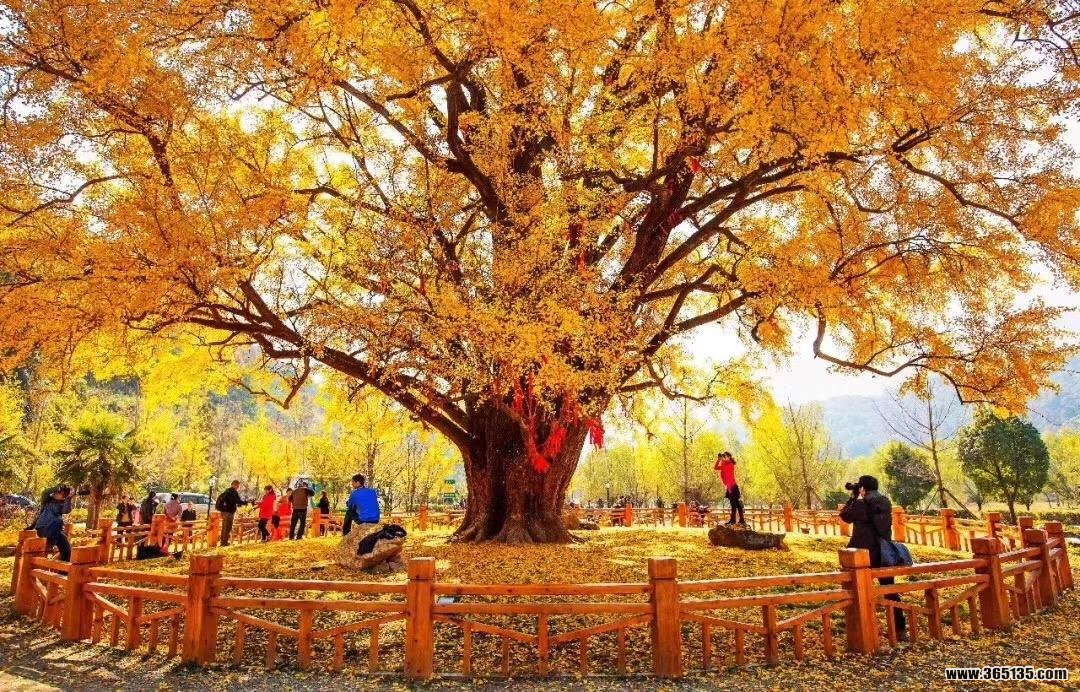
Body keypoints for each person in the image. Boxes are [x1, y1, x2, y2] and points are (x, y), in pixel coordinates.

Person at [840, 474, 907, 641]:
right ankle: (899, 629)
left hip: (860, 554)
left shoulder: (861, 504)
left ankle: (863, 631)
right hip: (883, 554)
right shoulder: (885, 501)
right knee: (890, 590)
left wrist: (855, 498)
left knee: (857, 593)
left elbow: (845, 516)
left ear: (862, 488)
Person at [34, 486, 73, 561]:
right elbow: (45, 492)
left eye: (59, 493)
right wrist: (58, 488)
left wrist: (69, 498)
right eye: (56, 492)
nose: (55, 493)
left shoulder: (63, 504)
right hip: (43, 529)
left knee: (67, 548)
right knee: (58, 521)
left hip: (55, 532)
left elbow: (66, 510)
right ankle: (52, 544)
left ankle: (64, 566)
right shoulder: (47, 500)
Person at [215, 480, 250, 547]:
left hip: (224, 511)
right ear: (234, 485)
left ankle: (224, 542)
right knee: (227, 527)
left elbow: (234, 501)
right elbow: (237, 501)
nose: (238, 487)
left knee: (225, 527)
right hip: (228, 512)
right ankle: (223, 543)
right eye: (237, 485)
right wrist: (245, 502)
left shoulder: (227, 491)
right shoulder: (232, 492)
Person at [715, 451, 745, 526]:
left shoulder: (730, 464)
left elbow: (724, 467)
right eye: (724, 456)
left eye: (725, 456)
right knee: (736, 504)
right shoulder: (725, 464)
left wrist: (722, 460)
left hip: (733, 487)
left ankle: (733, 520)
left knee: (734, 505)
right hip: (729, 487)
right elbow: (716, 468)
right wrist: (718, 460)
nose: (724, 458)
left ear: (729, 457)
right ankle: (740, 520)